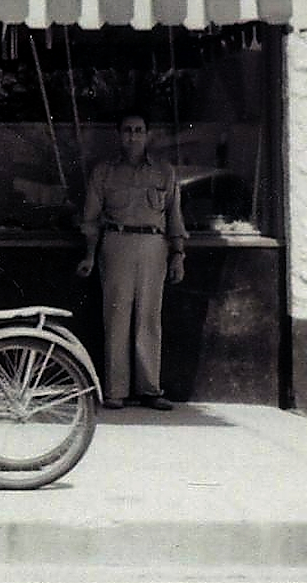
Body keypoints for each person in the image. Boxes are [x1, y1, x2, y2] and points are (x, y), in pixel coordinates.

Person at [76, 112, 188, 411]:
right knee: (117, 315)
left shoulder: (165, 172)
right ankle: (116, 390)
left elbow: (174, 216)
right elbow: (90, 219)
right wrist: (89, 254)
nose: (133, 136)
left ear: (147, 135)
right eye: (127, 130)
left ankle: (150, 389)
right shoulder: (104, 172)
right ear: (119, 135)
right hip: (116, 244)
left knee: (149, 317)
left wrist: (178, 255)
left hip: (155, 245)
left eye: (139, 130)